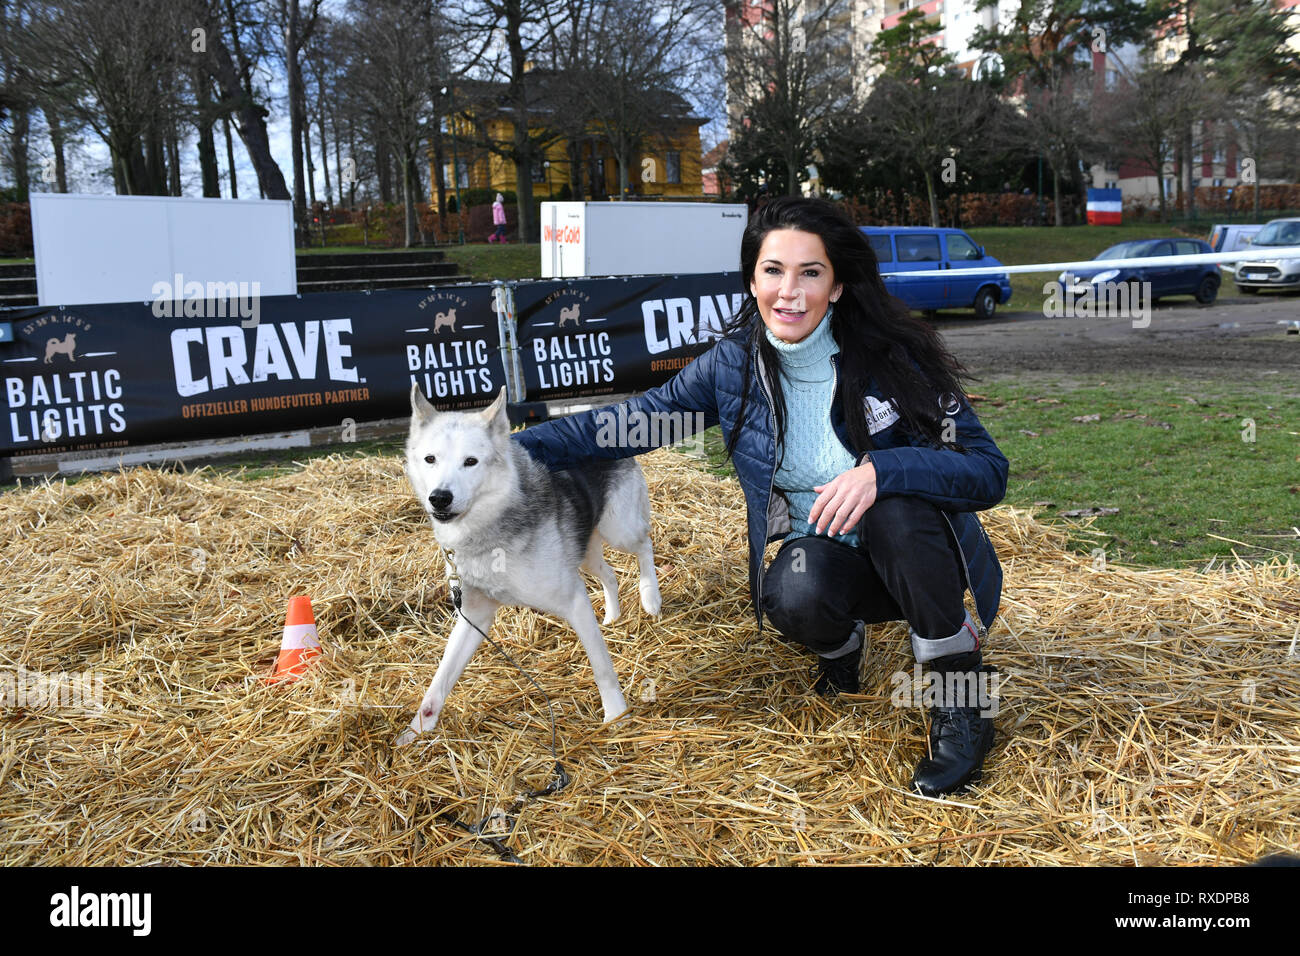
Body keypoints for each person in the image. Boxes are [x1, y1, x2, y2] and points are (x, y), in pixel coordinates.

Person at [512, 196, 1008, 796]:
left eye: (811, 272)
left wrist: (883, 470)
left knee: (896, 508)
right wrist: (508, 453)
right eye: (773, 271)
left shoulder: (893, 361)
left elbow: (985, 470)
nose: (789, 292)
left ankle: (961, 700)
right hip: (830, 558)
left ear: (839, 286)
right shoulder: (732, 368)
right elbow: (628, 422)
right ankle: (842, 644)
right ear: (752, 280)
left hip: (917, 558)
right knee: (792, 590)